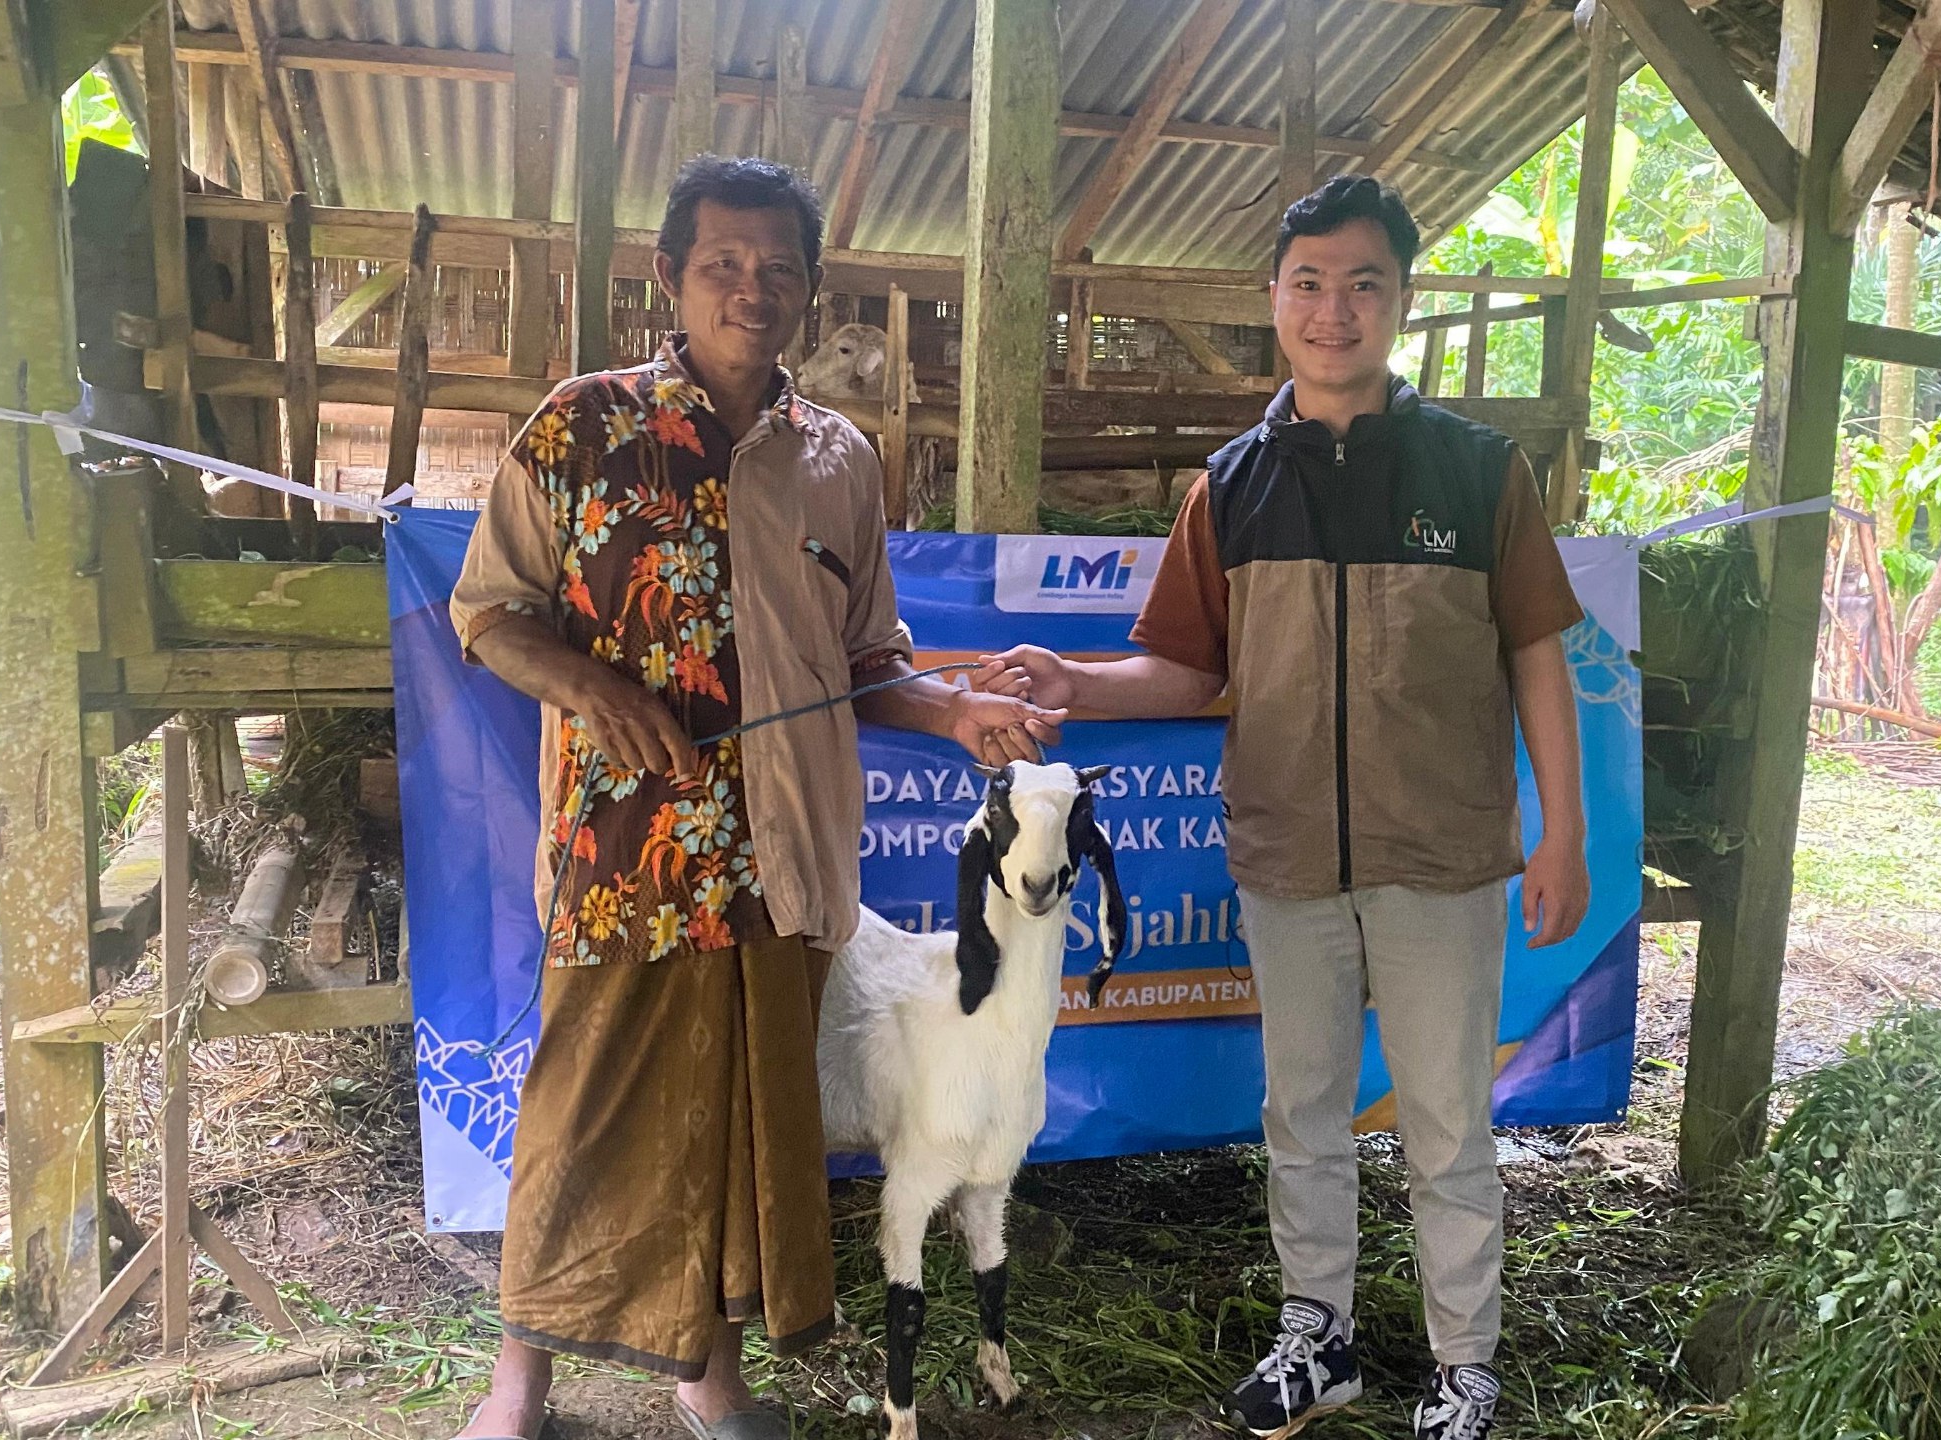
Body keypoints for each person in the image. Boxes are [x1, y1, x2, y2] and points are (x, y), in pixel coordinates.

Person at [447, 155, 1060, 1440]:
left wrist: (958, 715)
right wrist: (595, 692)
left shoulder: (841, 461)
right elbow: (489, 615)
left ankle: (706, 1376)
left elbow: (867, 664)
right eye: (722, 263)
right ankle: (521, 1385)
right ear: (668, 278)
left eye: (779, 268)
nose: (752, 289)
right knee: (580, 1115)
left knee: (740, 1136)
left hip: (782, 862)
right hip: (627, 857)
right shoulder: (579, 426)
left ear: (810, 289)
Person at [978, 174, 1590, 1440]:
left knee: (1445, 1122)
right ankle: (1320, 1338)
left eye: (1363, 282)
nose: (1333, 308)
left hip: (1445, 858)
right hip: (1288, 859)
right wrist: (1072, 679)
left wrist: (1562, 833)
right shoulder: (1232, 485)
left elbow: (1536, 650)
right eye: (1308, 282)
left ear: (1402, 303)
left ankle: (1462, 1367)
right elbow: (1193, 667)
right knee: (1301, 1114)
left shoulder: (1479, 473)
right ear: (1273, 301)